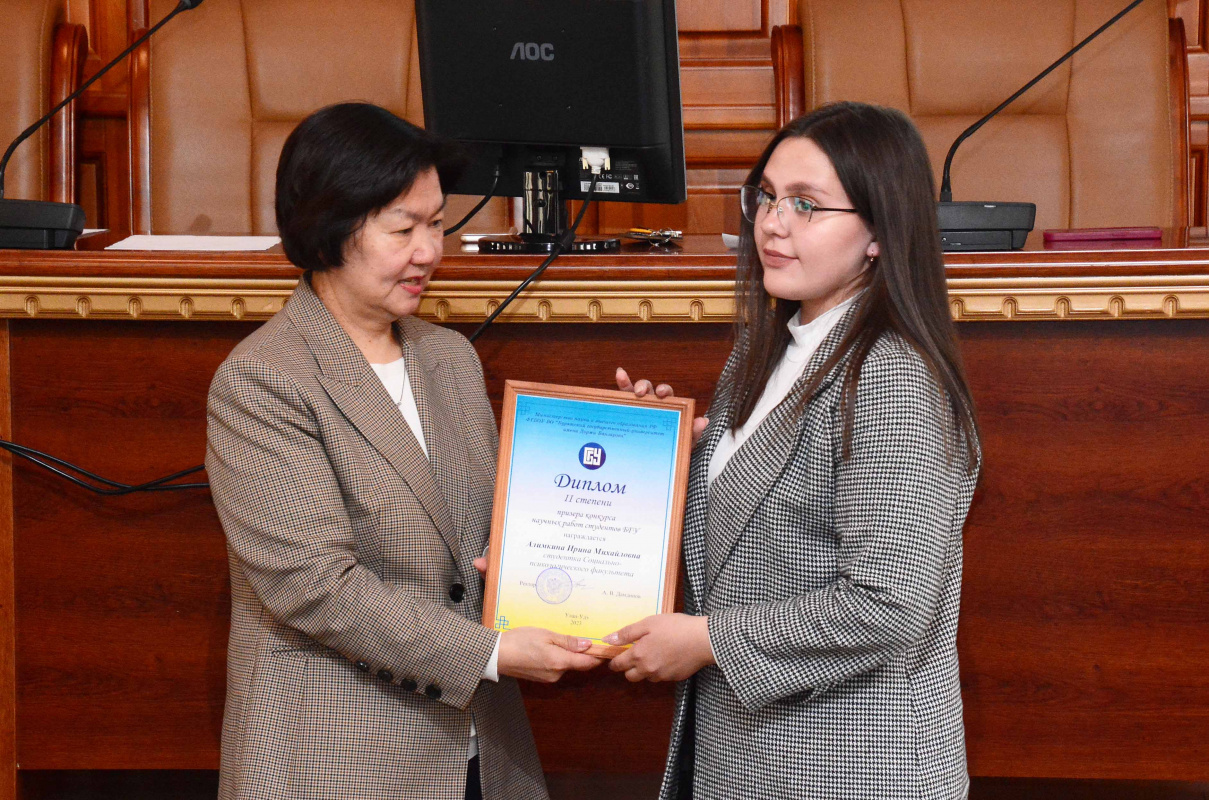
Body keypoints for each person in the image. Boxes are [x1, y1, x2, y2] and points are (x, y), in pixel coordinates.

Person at [205, 102, 602, 800]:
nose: (429, 251)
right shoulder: (263, 379)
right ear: (330, 228)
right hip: (336, 758)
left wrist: (640, 445)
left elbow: (496, 532)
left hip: (483, 751)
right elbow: (317, 587)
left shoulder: (448, 358)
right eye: (403, 229)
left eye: (437, 224)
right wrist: (491, 652)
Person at [605, 101, 982, 799]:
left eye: (806, 205)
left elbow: (889, 602)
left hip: (849, 767)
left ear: (879, 232)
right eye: (768, 197)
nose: (773, 224)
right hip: (747, 758)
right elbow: (746, 543)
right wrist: (659, 459)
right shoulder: (769, 347)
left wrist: (708, 641)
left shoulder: (891, 377)